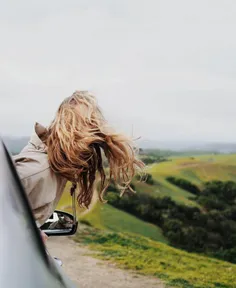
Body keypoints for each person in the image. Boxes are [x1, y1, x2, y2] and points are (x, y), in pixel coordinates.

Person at [14, 91, 144, 242]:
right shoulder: (36, 172)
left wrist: (31, 230)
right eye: (88, 144)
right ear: (68, 134)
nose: (89, 156)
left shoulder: (53, 168)